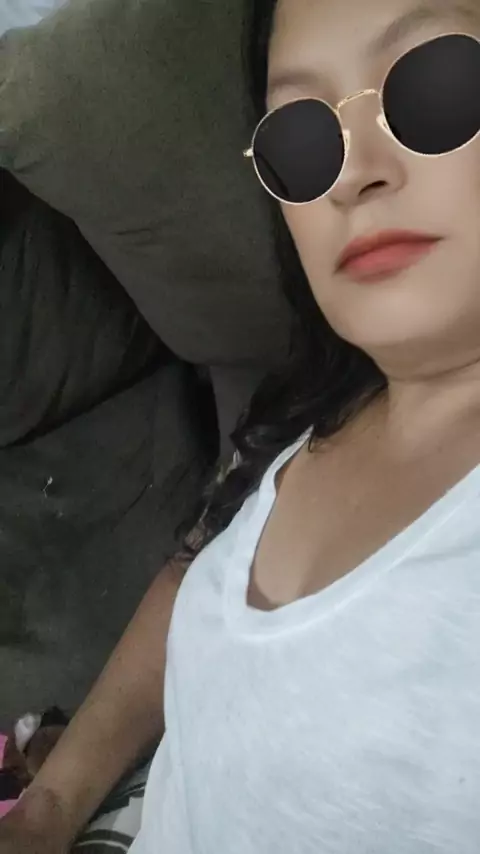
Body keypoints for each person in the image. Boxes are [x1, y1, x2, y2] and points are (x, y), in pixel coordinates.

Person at [2, 0, 480, 849]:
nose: (350, 175)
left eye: (436, 87)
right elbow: (193, 573)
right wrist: (51, 806)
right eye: (300, 135)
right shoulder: (306, 414)